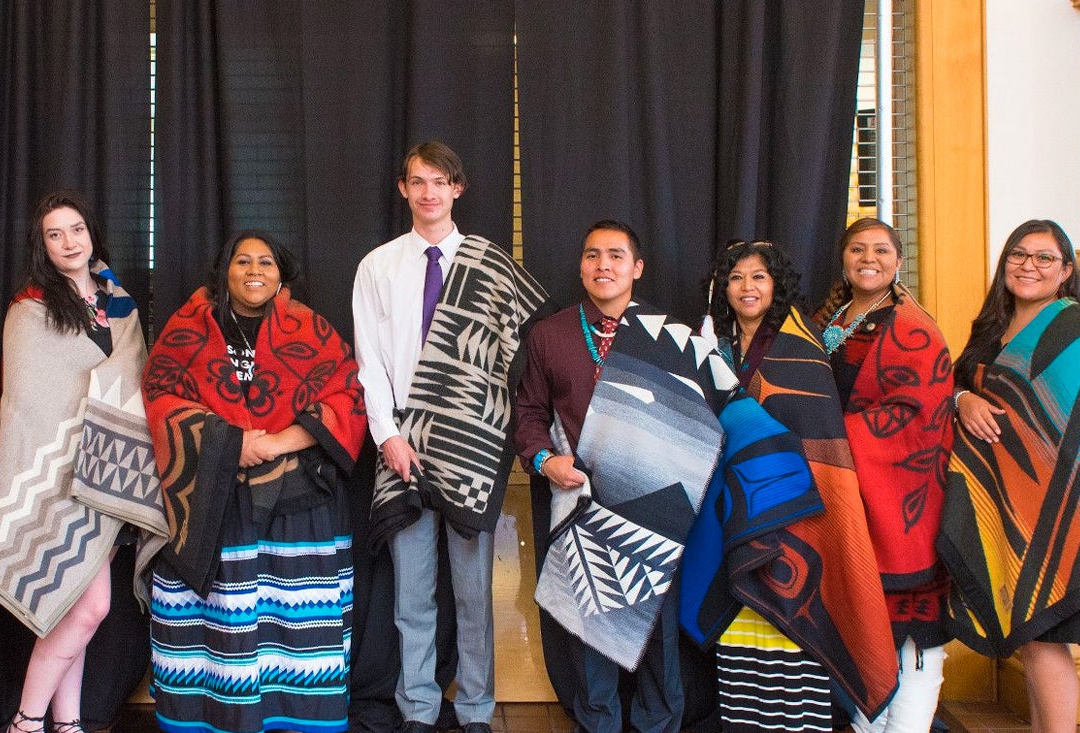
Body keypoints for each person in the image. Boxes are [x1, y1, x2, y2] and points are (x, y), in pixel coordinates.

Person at [513, 222, 810, 733]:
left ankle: (660, 724)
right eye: (592, 255)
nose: (602, 265)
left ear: (637, 267)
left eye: (615, 255)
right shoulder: (550, 334)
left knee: (656, 631)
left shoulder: (674, 336)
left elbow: (723, 405)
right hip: (581, 501)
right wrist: (545, 460)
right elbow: (529, 414)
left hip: (657, 505)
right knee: (591, 627)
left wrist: (778, 459)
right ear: (581, 265)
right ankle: (598, 724)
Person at [352, 141, 547, 733]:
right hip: (400, 443)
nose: (429, 192)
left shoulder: (489, 264)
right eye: (418, 181)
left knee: (472, 593)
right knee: (412, 594)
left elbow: (526, 349)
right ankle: (417, 709)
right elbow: (369, 362)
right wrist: (386, 434)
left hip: (469, 445)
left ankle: (476, 711)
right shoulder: (377, 265)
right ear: (403, 189)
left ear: (458, 188)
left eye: (440, 181)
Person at [142, 230, 366, 733]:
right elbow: (159, 395)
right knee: (224, 624)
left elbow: (348, 395)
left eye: (265, 262)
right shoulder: (189, 327)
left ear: (280, 273)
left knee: (293, 621)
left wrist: (274, 442)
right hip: (212, 503)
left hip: (298, 502)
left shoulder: (309, 328)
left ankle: (298, 715)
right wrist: (230, 444)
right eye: (242, 261)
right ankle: (214, 715)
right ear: (225, 272)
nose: (254, 271)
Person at [680, 240, 897, 731]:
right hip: (728, 509)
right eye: (736, 278)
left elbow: (818, 433)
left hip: (795, 515)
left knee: (793, 620)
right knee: (738, 636)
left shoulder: (801, 345)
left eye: (758, 276)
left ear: (776, 285)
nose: (747, 287)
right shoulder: (714, 345)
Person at [0, 191, 161, 733]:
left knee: (73, 609)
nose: (68, 242)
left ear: (91, 234)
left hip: (106, 469)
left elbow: (135, 376)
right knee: (87, 608)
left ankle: (68, 723)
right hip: (55, 475)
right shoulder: (29, 307)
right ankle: (27, 721)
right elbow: (28, 398)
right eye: (54, 234)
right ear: (43, 245)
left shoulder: (118, 302)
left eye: (75, 229)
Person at [813, 217, 955, 733]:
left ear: (898, 260)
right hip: (846, 491)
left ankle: (909, 725)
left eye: (879, 249)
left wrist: (829, 436)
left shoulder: (912, 326)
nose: (867, 258)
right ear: (844, 259)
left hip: (897, 494)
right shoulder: (832, 318)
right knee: (860, 614)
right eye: (856, 249)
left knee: (909, 621)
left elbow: (918, 412)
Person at [940, 219, 1080, 733]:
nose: (1029, 266)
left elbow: (1065, 422)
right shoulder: (994, 329)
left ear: (1066, 271)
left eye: (1045, 258)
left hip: (1059, 507)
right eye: (1019, 255)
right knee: (1032, 635)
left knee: (1043, 634)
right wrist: (962, 399)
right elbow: (956, 384)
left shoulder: (1071, 326)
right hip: (1006, 501)